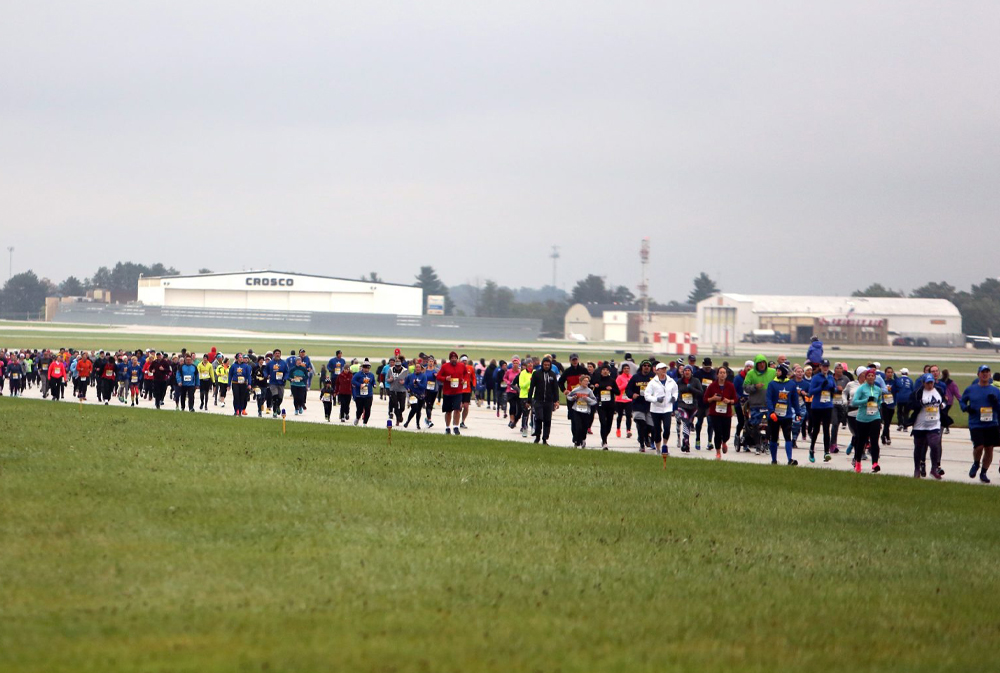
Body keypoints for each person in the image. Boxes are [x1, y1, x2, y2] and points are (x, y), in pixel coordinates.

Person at [959, 365, 1000, 484]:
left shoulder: (995, 391)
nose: (985, 374)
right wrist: (965, 408)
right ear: (978, 374)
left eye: (987, 372)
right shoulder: (971, 389)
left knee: (989, 449)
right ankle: (976, 463)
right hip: (976, 423)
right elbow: (962, 400)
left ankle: (984, 472)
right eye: (983, 372)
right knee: (979, 447)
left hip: (991, 423)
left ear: (990, 375)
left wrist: (995, 402)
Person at [901, 374, 944, 479]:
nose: (930, 385)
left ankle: (934, 469)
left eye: (931, 382)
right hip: (920, 425)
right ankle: (917, 469)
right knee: (919, 448)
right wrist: (920, 403)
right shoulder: (918, 393)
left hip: (934, 424)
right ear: (923, 383)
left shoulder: (938, 390)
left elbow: (944, 400)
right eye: (928, 383)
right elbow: (910, 405)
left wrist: (944, 405)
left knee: (934, 445)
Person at [766, 363, 800, 465]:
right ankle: (774, 460)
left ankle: (790, 459)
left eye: (779, 370)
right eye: (777, 370)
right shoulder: (772, 384)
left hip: (787, 416)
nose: (777, 372)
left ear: (784, 372)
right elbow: (768, 399)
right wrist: (771, 411)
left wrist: (798, 412)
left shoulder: (791, 384)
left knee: (787, 436)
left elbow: (795, 400)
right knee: (774, 437)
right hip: (774, 416)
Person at [851, 368, 884, 473]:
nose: (870, 377)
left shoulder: (878, 389)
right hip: (862, 418)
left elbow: (879, 400)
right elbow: (854, 402)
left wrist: (877, 405)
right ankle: (858, 462)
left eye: (872, 376)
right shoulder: (861, 388)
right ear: (865, 378)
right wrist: (866, 401)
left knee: (875, 440)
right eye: (868, 376)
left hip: (875, 417)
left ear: (874, 377)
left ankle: (875, 464)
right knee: (861, 441)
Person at [741, 355, 775, 454]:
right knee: (755, 425)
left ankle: (766, 443)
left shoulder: (772, 372)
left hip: (768, 404)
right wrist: (755, 386)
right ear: (756, 364)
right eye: (759, 363)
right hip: (755, 404)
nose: (762, 365)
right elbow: (745, 387)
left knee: (769, 425)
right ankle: (757, 445)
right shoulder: (751, 374)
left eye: (763, 362)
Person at [644, 362, 678, 455]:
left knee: (667, 428)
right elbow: (647, 396)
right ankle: (658, 448)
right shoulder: (652, 383)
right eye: (662, 369)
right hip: (656, 410)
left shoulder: (671, 381)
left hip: (667, 409)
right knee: (657, 430)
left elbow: (675, 391)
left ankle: (664, 445)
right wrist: (656, 399)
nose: (664, 371)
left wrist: (674, 397)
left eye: (665, 369)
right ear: (657, 371)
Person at [807, 359, 836, 463]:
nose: (825, 368)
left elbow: (834, 388)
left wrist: (833, 389)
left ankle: (826, 452)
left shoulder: (831, 377)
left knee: (826, 429)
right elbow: (810, 392)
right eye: (824, 366)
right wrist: (821, 387)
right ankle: (811, 449)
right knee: (816, 430)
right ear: (820, 366)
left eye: (827, 366)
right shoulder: (816, 378)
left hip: (827, 406)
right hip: (817, 407)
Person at [704, 366, 737, 459]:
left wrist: (729, 401)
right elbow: (705, 399)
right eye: (721, 373)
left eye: (724, 373)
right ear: (717, 374)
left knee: (726, 434)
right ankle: (718, 452)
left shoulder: (730, 386)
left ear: (726, 375)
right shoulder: (712, 386)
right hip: (715, 414)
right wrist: (713, 398)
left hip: (726, 414)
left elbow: (735, 399)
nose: (722, 374)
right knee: (717, 433)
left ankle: (724, 442)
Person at [528, 357, 560, 444]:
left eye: (548, 365)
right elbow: (531, 388)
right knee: (539, 418)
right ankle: (537, 435)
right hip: (538, 400)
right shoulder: (536, 374)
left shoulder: (552, 375)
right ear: (542, 365)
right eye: (545, 365)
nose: (546, 366)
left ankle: (545, 438)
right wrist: (529, 400)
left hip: (549, 401)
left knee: (547, 420)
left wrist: (556, 400)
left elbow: (555, 389)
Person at [625, 360, 655, 452]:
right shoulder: (635, 377)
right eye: (644, 365)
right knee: (641, 424)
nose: (646, 367)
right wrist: (632, 395)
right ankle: (642, 444)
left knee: (650, 426)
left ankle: (646, 436)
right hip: (638, 404)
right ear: (641, 367)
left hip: (650, 405)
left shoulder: (653, 378)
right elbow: (628, 390)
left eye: (648, 366)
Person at [436, 351, 467, 435]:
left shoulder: (461, 366)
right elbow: (438, 376)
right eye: (452, 358)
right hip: (447, 392)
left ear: (457, 358)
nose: (454, 359)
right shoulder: (445, 366)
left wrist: (463, 380)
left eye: (455, 358)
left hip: (458, 392)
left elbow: (465, 374)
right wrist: (445, 378)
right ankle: (447, 427)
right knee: (448, 411)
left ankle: (456, 427)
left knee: (457, 410)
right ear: (450, 359)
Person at [591, 363, 620, 450]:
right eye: (603, 370)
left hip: (610, 405)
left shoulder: (612, 381)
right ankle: (604, 441)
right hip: (601, 405)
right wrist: (595, 387)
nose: (605, 371)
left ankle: (605, 436)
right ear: (601, 371)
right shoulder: (597, 380)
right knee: (603, 423)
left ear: (609, 371)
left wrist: (612, 389)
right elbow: (592, 392)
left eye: (607, 370)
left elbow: (618, 392)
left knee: (609, 425)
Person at [567, 374, 597, 448]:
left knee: (584, 427)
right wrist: (573, 397)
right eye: (585, 381)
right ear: (580, 382)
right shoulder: (576, 389)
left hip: (586, 411)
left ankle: (583, 439)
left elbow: (594, 401)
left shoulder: (589, 391)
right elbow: (569, 396)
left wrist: (587, 399)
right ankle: (576, 441)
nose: (586, 382)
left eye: (587, 381)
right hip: (576, 410)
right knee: (578, 426)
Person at [694, 358, 716, 450]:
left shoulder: (714, 373)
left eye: (709, 366)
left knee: (710, 422)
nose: (707, 368)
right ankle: (698, 439)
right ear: (703, 365)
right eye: (706, 366)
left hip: (710, 402)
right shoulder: (698, 373)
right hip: (700, 402)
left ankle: (710, 441)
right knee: (699, 422)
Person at [404, 362, 429, 429]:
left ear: (421, 369)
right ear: (415, 368)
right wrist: (408, 388)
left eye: (419, 367)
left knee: (418, 410)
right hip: (412, 394)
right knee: (414, 408)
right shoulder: (410, 376)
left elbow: (424, 386)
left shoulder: (423, 376)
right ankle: (407, 422)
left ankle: (417, 424)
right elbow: (405, 383)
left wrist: (417, 383)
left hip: (421, 395)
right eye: (416, 367)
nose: (417, 368)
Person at [266, 349, 289, 418]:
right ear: (273, 354)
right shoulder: (270, 363)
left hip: (281, 383)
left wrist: (285, 378)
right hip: (273, 383)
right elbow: (266, 371)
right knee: (275, 397)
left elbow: (287, 372)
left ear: (280, 354)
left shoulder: (283, 363)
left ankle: (278, 406)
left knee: (280, 398)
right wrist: (266, 375)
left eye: (279, 353)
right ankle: (274, 411)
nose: (277, 354)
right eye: (276, 353)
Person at [386, 359, 409, 425]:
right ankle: (398, 419)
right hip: (393, 390)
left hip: (402, 390)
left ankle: (400, 414)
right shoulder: (390, 370)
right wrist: (389, 380)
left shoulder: (405, 371)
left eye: (399, 366)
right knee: (395, 405)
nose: (397, 367)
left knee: (402, 407)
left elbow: (408, 380)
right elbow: (386, 379)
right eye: (396, 366)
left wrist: (404, 382)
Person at [892, 367, 914, 432]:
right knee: (906, 413)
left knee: (899, 411)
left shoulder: (898, 379)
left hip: (899, 398)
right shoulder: (910, 380)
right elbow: (912, 390)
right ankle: (905, 426)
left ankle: (900, 424)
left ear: (901, 373)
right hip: (908, 398)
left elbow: (894, 389)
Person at [614, 363, 633, 439]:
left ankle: (628, 430)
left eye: (628, 368)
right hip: (620, 400)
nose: (626, 370)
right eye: (625, 368)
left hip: (628, 400)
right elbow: (617, 389)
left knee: (629, 416)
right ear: (622, 369)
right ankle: (618, 429)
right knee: (620, 416)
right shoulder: (619, 377)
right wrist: (625, 384)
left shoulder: (632, 377)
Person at [880, 365, 897, 444]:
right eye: (888, 372)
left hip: (892, 404)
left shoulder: (894, 382)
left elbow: (899, 387)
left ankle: (884, 435)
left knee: (888, 422)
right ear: (885, 373)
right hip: (884, 404)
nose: (889, 374)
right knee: (886, 422)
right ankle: (886, 436)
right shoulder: (882, 382)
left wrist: (896, 377)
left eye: (891, 372)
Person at [423, 356, 439, 427]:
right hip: (426, 390)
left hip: (434, 389)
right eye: (430, 361)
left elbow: (440, 378)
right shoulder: (424, 370)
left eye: (432, 361)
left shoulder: (437, 370)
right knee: (428, 404)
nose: (431, 363)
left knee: (431, 405)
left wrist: (437, 376)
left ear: (434, 362)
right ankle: (429, 420)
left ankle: (427, 418)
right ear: (427, 362)